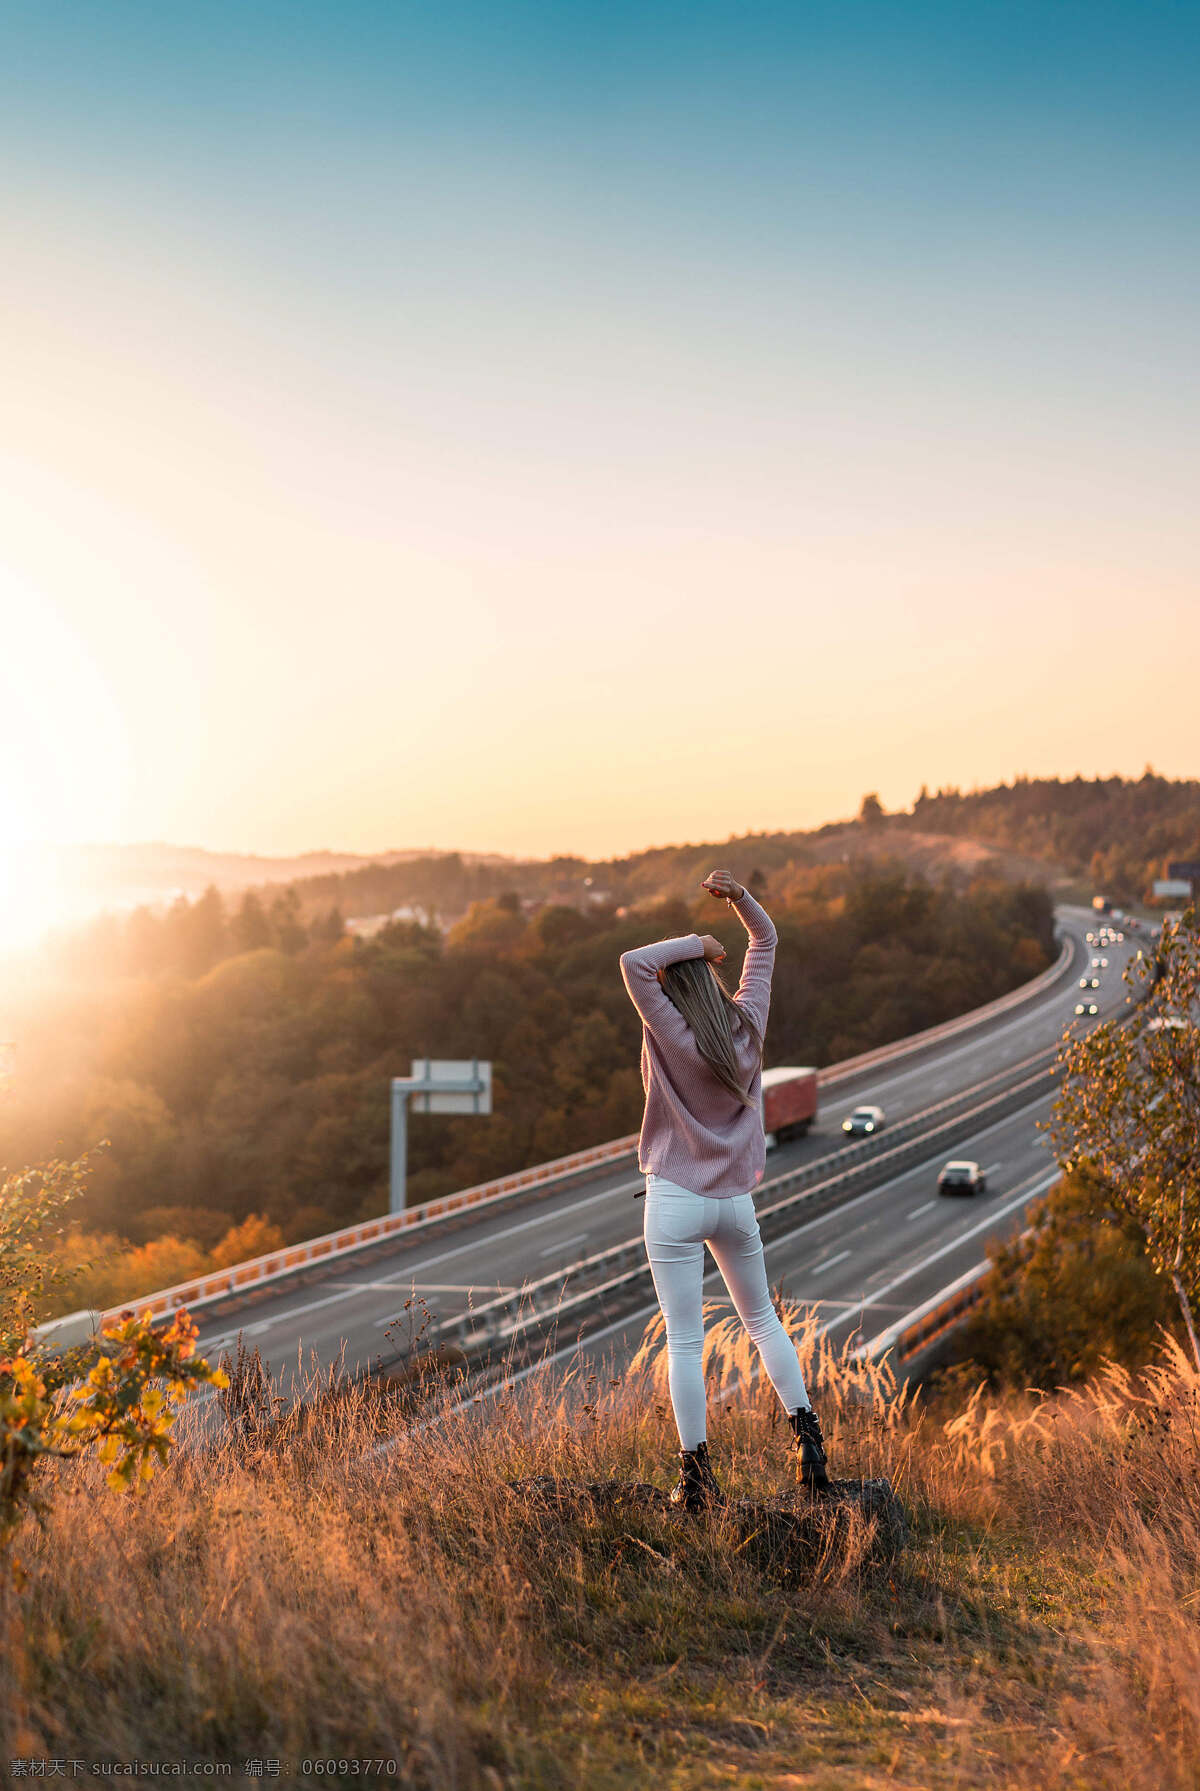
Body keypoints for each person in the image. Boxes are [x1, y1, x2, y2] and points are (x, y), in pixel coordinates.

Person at [619, 868, 829, 1511]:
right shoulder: (747, 1030)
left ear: (672, 991)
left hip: (676, 1198)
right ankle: (812, 1453)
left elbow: (633, 963)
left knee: (685, 1340)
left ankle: (697, 1478)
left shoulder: (672, 1035)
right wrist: (739, 901)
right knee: (765, 1323)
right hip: (735, 1202)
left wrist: (695, 943)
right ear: (713, 982)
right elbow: (765, 941)